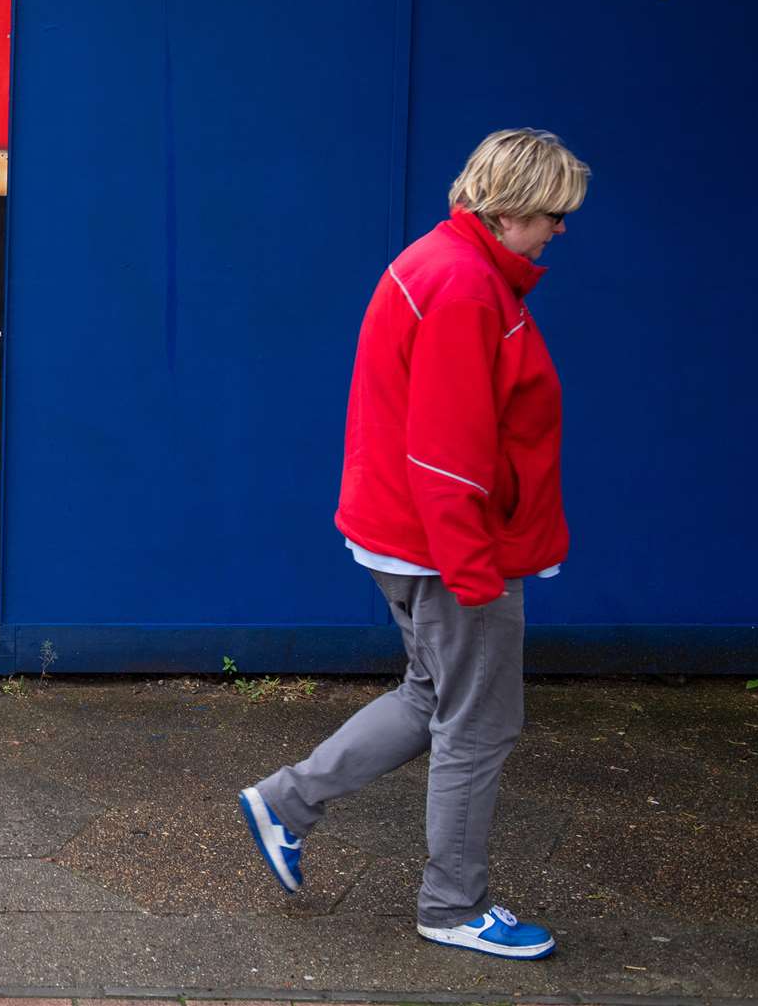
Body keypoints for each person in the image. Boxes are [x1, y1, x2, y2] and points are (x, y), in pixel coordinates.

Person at [238, 129, 590, 960]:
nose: (560, 231)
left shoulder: (443, 262)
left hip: (412, 538)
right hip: (453, 550)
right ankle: (453, 907)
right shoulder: (468, 290)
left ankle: (287, 803)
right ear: (506, 209)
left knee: (433, 698)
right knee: (481, 725)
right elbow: (446, 451)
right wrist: (477, 574)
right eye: (551, 214)